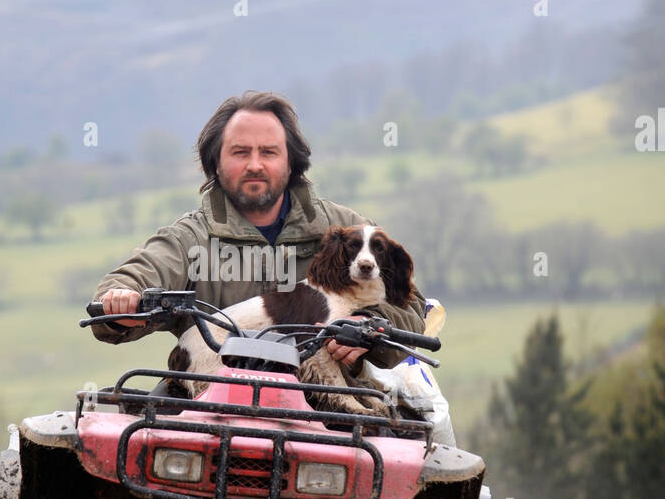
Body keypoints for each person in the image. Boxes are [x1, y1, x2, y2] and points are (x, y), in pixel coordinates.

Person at [90, 90, 426, 377]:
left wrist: (367, 327)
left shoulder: (344, 230)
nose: (255, 164)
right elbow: (131, 280)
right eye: (240, 152)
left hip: (328, 405)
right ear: (216, 163)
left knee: (407, 445)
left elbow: (410, 310)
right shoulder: (190, 238)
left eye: (268, 152)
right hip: (211, 399)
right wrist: (122, 298)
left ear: (291, 162)